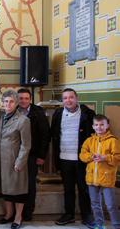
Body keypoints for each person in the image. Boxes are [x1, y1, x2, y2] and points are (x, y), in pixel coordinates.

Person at [51, 88, 95, 227]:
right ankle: (69, 214)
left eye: (71, 97)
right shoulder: (58, 114)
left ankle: (87, 215)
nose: (68, 100)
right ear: (62, 100)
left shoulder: (88, 114)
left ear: (76, 98)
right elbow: (55, 135)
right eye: (65, 98)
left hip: (82, 158)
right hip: (64, 158)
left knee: (84, 188)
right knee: (68, 188)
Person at [0, 90, 31, 229]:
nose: (8, 104)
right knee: (6, 189)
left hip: (14, 160)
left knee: (18, 191)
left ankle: (18, 217)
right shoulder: (1, 118)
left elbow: (26, 144)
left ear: (16, 103)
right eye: (6, 101)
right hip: (1, 160)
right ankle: (8, 214)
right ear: (2, 103)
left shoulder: (23, 120)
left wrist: (20, 162)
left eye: (11, 101)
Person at [79, 114, 120, 229]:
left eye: (102, 124)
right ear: (93, 126)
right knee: (95, 204)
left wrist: (104, 158)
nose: (99, 127)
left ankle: (116, 225)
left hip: (107, 179)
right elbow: (82, 155)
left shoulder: (113, 141)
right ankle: (99, 224)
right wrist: (91, 156)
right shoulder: (89, 140)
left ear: (107, 125)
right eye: (96, 125)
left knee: (111, 205)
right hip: (92, 178)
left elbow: (117, 158)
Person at [17, 88, 50, 221]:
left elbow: (45, 134)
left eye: (26, 98)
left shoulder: (38, 111)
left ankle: (28, 211)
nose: (23, 101)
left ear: (30, 99)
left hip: (32, 154)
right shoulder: (13, 111)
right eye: (21, 98)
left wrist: (42, 155)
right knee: (17, 183)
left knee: (30, 184)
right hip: (15, 154)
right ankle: (17, 212)